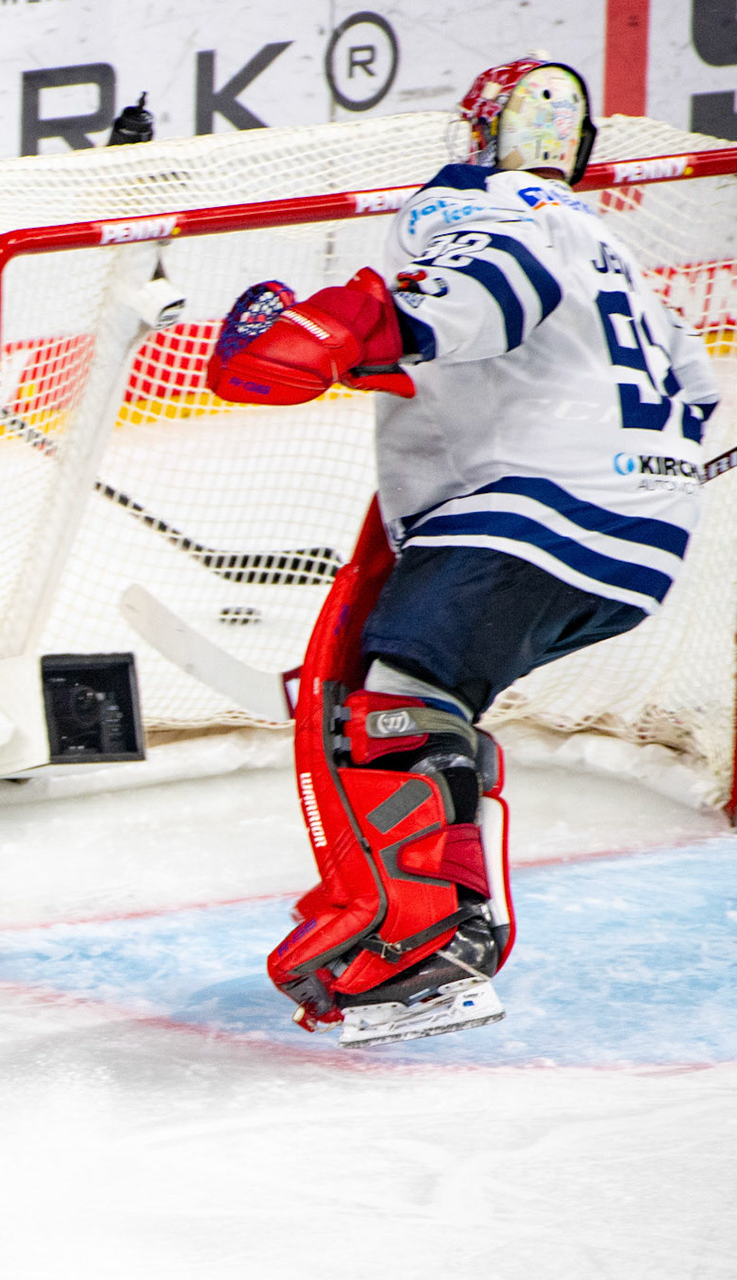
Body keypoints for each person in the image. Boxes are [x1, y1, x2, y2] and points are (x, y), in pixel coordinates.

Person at [209, 59, 720, 1046]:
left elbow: (494, 285)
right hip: (642, 531)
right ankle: (448, 919)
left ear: (480, 131)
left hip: (540, 504)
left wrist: (368, 322)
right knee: (421, 693)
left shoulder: (478, 202)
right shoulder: (607, 241)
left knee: (394, 703)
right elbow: (693, 394)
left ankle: (426, 941)